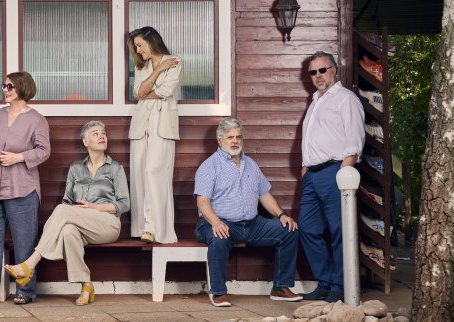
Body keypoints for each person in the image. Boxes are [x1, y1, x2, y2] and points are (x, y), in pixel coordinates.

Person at [4, 121, 130, 306]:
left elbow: (124, 203)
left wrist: (96, 208)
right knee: (68, 231)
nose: (101, 136)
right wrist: (76, 212)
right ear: (85, 141)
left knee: (62, 211)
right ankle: (86, 286)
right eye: (95, 133)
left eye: (103, 133)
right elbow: (67, 202)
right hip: (81, 223)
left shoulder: (115, 168)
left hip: (107, 224)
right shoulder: (75, 169)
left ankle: (30, 264)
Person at [194, 118, 303, 307]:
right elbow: (202, 201)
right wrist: (216, 222)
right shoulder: (209, 166)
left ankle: (280, 287)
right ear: (220, 141)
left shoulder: (250, 164)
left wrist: (281, 215)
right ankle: (218, 292)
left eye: (238, 137)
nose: (235, 141)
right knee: (218, 238)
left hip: (252, 225)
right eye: (230, 137)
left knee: (289, 230)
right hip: (220, 223)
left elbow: (265, 195)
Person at [0, 71, 51, 306]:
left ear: (23, 88)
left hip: (22, 189)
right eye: (4, 86)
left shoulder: (36, 119)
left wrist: (19, 157)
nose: (5, 90)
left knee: (24, 243)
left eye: (10, 86)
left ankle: (25, 291)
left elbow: (44, 150)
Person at [299, 51, 365, 303]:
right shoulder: (315, 100)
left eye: (322, 70)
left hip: (334, 172)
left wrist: (343, 171)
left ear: (334, 70)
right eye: (313, 72)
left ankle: (339, 286)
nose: (317, 76)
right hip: (312, 175)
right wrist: (305, 169)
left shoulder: (345, 99)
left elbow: (355, 140)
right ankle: (324, 281)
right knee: (308, 228)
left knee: (340, 230)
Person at [126, 26, 180, 244]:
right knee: (140, 172)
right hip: (141, 123)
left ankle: (155, 227)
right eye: (136, 47)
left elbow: (165, 92)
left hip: (163, 122)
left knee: (154, 170)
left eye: (140, 45)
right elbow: (137, 93)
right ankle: (142, 228)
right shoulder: (143, 65)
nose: (138, 50)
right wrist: (157, 72)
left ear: (151, 41)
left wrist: (146, 92)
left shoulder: (174, 60)